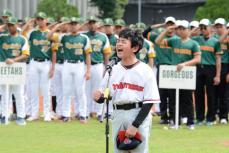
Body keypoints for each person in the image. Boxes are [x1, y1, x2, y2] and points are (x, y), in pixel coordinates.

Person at [93, 28, 160, 153]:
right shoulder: (113, 69)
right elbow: (105, 95)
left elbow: (149, 102)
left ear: (135, 48)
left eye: (123, 41)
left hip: (137, 113)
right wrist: (99, 97)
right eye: (118, 41)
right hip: (118, 114)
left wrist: (135, 125)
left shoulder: (145, 70)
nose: (118, 44)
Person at [156, 20, 201, 129]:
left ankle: (190, 122)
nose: (180, 31)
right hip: (175, 73)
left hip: (186, 74)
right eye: (179, 29)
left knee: (187, 99)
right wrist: (167, 30)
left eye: (183, 29)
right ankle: (175, 122)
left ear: (188, 30)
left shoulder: (193, 43)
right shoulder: (174, 41)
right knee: (173, 99)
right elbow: (158, 41)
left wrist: (185, 64)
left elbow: (198, 59)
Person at [22, 12, 56, 122]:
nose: (40, 21)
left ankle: (47, 113)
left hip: (46, 62)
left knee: (46, 89)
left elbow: (54, 52)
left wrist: (53, 67)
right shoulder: (33, 33)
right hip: (34, 62)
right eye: (38, 19)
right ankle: (34, 113)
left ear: (46, 20)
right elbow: (22, 34)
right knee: (33, 89)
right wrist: (28, 23)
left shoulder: (51, 34)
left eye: (42, 19)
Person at [192, 19, 222, 126]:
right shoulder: (196, 40)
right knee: (198, 94)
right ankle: (199, 118)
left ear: (210, 28)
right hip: (198, 68)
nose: (203, 30)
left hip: (211, 68)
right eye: (201, 28)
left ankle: (210, 118)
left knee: (211, 94)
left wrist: (218, 75)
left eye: (205, 27)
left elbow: (218, 59)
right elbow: (187, 36)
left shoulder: (216, 41)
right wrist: (197, 29)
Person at [0, 16, 29, 125]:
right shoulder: (2, 37)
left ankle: (21, 116)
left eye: (12, 25)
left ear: (17, 25)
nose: (10, 27)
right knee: (4, 93)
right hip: (3, 68)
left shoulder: (22, 39)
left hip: (17, 68)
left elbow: (25, 54)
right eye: (9, 25)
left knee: (19, 93)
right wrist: (4, 24)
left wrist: (13, 60)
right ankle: (4, 115)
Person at [84, 16, 111, 119]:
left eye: (94, 23)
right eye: (90, 23)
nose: (92, 25)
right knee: (86, 89)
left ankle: (99, 112)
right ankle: (87, 112)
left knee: (99, 89)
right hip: (85, 65)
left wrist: (106, 67)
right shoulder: (84, 36)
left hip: (99, 65)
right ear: (87, 24)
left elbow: (106, 54)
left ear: (97, 24)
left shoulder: (103, 36)